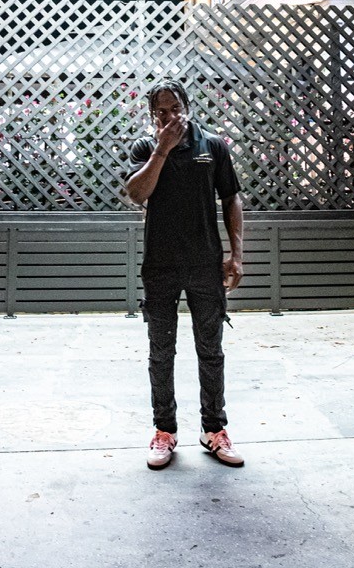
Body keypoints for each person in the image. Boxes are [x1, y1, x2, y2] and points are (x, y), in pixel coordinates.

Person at [126, 79, 245, 471]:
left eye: (174, 108)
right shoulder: (146, 148)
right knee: (161, 352)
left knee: (210, 351)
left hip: (205, 264)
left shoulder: (212, 147)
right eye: (160, 111)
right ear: (151, 115)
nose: (169, 116)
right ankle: (164, 430)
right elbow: (137, 193)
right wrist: (162, 149)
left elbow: (231, 199)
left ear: (186, 107)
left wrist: (236, 254)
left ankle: (214, 429)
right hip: (160, 266)